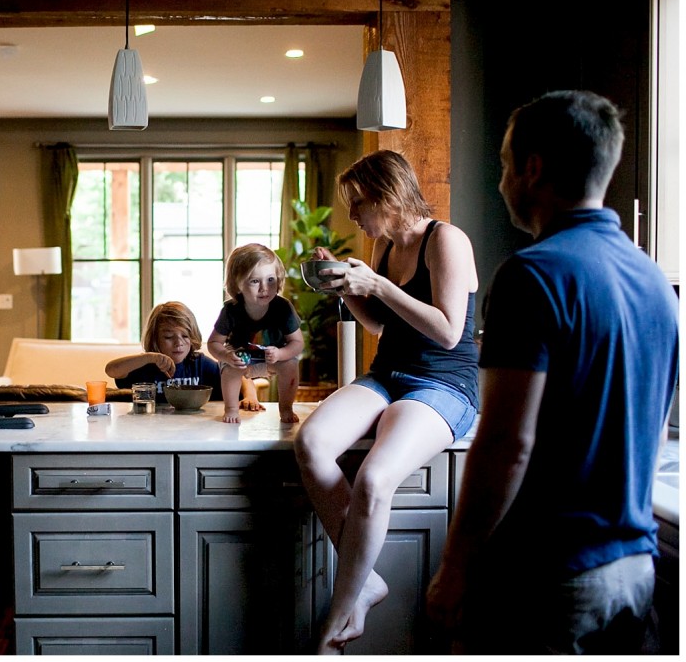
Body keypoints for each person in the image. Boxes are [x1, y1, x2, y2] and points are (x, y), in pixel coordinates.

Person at [424, 91, 680, 654]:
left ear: (532, 169)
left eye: (503, 166)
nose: (500, 183)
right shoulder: (656, 282)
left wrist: (455, 565)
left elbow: (505, 444)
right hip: (636, 570)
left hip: (554, 575)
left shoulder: (532, 275)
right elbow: (655, 431)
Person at [292, 149, 480, 653]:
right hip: (389, 374)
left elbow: (447, 331)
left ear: (387, 195)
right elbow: (380, 325)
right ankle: (368, 580)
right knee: (310, 442)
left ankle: (340, 610)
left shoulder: (447, 241)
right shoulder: (384, 250)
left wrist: (375, 283)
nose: (353, 216)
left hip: (443, 383)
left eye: (357, 204)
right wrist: (346, 288)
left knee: (374, 479)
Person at [207, 243, 304, 424]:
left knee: (290, 365)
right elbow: (213, 343)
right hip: (241, 358)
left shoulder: (283, 308)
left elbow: (298, 343)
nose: (264, 288)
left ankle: (286, 408)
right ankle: (231, 409)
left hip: (272, 357)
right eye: (254, 281)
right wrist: (227, 355)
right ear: (237, 285)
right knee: (230, 371)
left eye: (270, 280)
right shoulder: (231, 310)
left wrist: (280, 353)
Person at [106, 301, 264, 409]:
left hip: (193, 429)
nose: (178, 343)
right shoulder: (146, 366)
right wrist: (148, 357)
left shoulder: (199, 363)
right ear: (155, 339)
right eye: (168, 337)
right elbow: (111, 370)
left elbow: (239, 375)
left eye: (185, 336)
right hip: (152, 431)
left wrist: (250, 397)